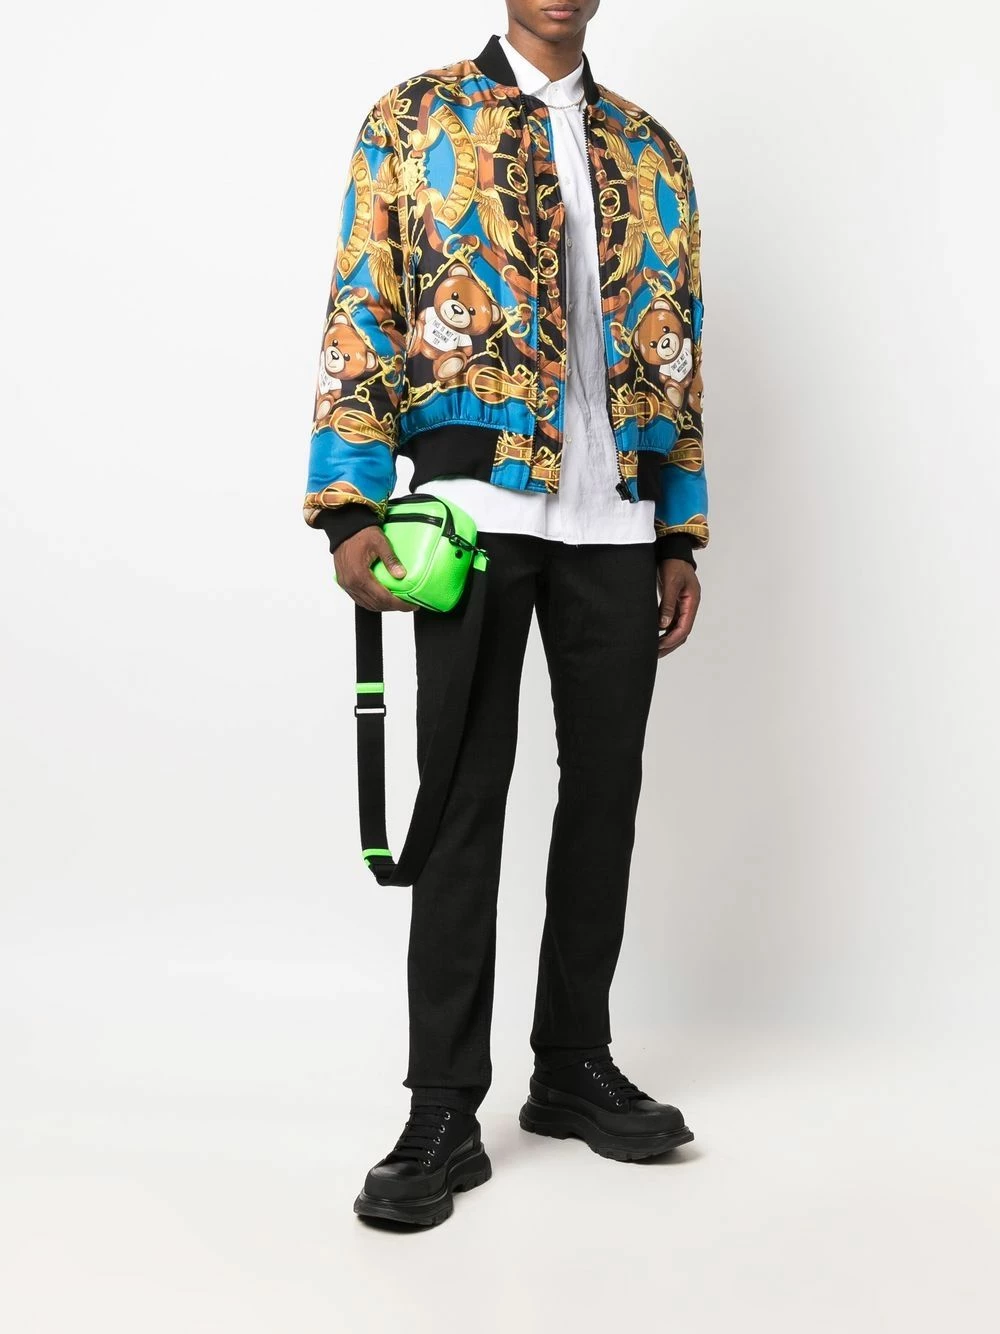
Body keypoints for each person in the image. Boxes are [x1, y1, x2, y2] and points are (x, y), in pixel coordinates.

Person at [303, 0, 708, 1228]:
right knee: (463, 795)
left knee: (604, 794)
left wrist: (678, 525)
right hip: (474, 514)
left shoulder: (651, 149)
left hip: (615, 519)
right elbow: (364, 305)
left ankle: (572, 1063)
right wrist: (349, 503)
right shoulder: (414, 120)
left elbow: (680, 347)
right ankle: (440, 1106)